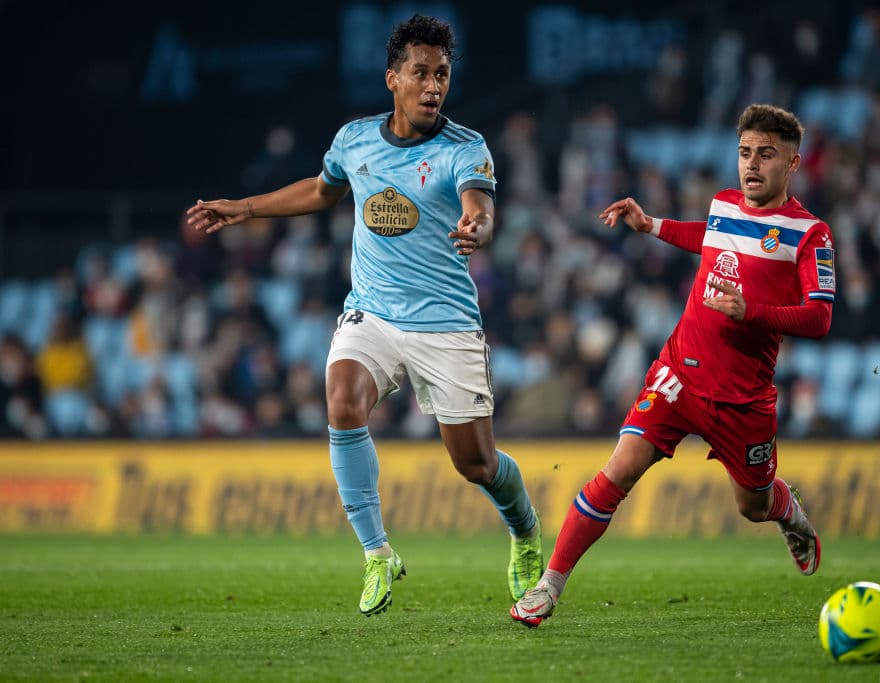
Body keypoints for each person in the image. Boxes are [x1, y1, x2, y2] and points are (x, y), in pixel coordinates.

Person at [187, 14, 541, 617]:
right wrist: (246, 207)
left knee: (475, 463)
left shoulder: (465, 147)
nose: (434, 86)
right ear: (392, 79)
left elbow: (479, 204)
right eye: (421, 73)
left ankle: (526, 531)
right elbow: (323, 191)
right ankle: (377, 553)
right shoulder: (355, 141)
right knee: (342, 399)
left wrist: (477, 226)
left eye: (443, 75)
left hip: (445, 322)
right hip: (372, 312)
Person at [511, 103, 834, 628]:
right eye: (745, 153)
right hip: (677, 376)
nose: (752, 165)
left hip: (742, 400)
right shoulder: (725, 204)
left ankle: (789, 514)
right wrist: (651, 224)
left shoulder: (809, 233)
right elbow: (704, 235)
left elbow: (819, 318)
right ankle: (549, 586)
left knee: (751, 506)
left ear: (792, 164)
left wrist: (751, 312)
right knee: (617, 470)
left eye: (766, 155)